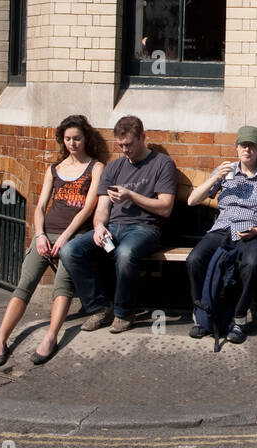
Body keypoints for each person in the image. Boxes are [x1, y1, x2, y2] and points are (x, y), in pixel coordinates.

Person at [0, 115, 105, 368]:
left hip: (73, 236)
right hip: (47, 232)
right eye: (67, 139)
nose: (72, 143)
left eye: (77, 138)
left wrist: (65, 237)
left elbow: (88, 208)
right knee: (24, 285)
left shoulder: (96, 167)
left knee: (62, 286)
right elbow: (40, 206)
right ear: (62, 141)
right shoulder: (54, 169)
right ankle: (0, 339)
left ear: (85, 139)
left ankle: (51, 337)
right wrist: (40, 235)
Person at [62, 115, 177, 333]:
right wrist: (98, 227)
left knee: (125, 254)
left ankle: (124, 313)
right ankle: (100, 308)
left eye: (129, 144)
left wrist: (131, 195)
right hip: (112, 227)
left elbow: (165, 207)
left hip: (145, 229)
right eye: (121, 145)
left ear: (142, 137)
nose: (125, 150)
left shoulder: (162, 163)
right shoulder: (113, 168)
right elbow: (102, 208)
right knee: (70, 251)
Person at [185, 126, 257, 343]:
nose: (246, 149)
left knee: (251, 263)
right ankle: (203, 317)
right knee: (195, 260)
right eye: (243, 145)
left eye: (251, 146)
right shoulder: (226, 170)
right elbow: (192, 201)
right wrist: (214, 179)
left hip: (253, 231)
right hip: (222, 228)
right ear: (236, 147)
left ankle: (239, 319)